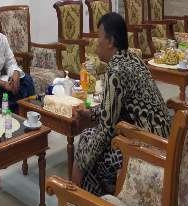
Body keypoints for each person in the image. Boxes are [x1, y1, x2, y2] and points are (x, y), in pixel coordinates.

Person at [72, 12, 171, 196]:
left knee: (89, 147)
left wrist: (80, 163)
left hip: (149, 148)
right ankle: (96, 198)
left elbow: (106, 130)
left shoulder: (116, 70)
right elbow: (113, 108)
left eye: (99, 37)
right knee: (88, 139)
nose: (96, 43)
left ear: (110, 41)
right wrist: (91, 114)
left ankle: (77, 197)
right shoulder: (133, 59)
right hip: (163, 140)